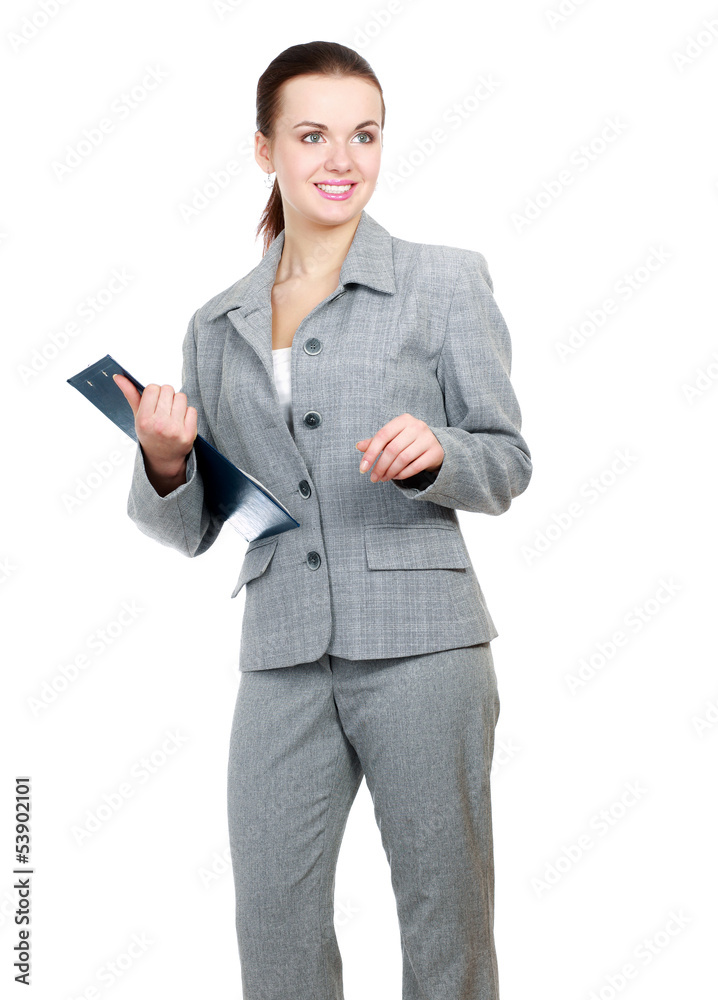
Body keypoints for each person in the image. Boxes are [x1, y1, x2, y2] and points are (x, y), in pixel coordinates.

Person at [114, 40, 532, 1000]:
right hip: (281, 653)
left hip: (425, 644)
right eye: (312, 136)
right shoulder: (217, 321)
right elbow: (192, 526)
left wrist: (438, 452)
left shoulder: (443, 281)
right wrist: (166, 458)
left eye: (363, 135)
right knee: (274, 920)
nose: (342, 159)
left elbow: (507, 462)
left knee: (446, 913)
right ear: (266, 149)